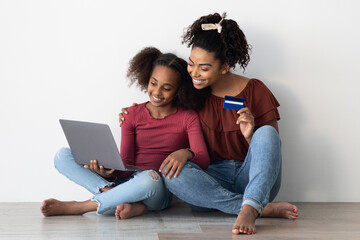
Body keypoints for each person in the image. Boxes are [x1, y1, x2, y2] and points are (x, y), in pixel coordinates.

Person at [119, 13, 298, 234]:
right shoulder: (188, 93)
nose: (194, 73)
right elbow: (160, 108)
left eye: (203, 68)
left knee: (267, 134)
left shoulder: (255, 90)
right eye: (192, 64)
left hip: (252, 177)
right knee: (172, 174)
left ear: (225, 67)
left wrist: (251, 135)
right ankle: (254, 207)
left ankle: (251, 206)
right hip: (208, 181)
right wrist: (133, 113)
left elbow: (272, 152)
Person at [40, 47, 210, 219]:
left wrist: (185, 153)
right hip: (128, 181)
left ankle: (81, 206)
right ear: (147, 79)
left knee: (149, 179)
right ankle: (124, 200)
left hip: (157, 188)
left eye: (166, 88)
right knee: (62, 156)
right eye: (153, 83)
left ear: (178, 90)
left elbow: (203, 159)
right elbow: (126, 165)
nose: (157, 92)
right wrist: (107, 173)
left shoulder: (188, 117)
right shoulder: (132, 114)